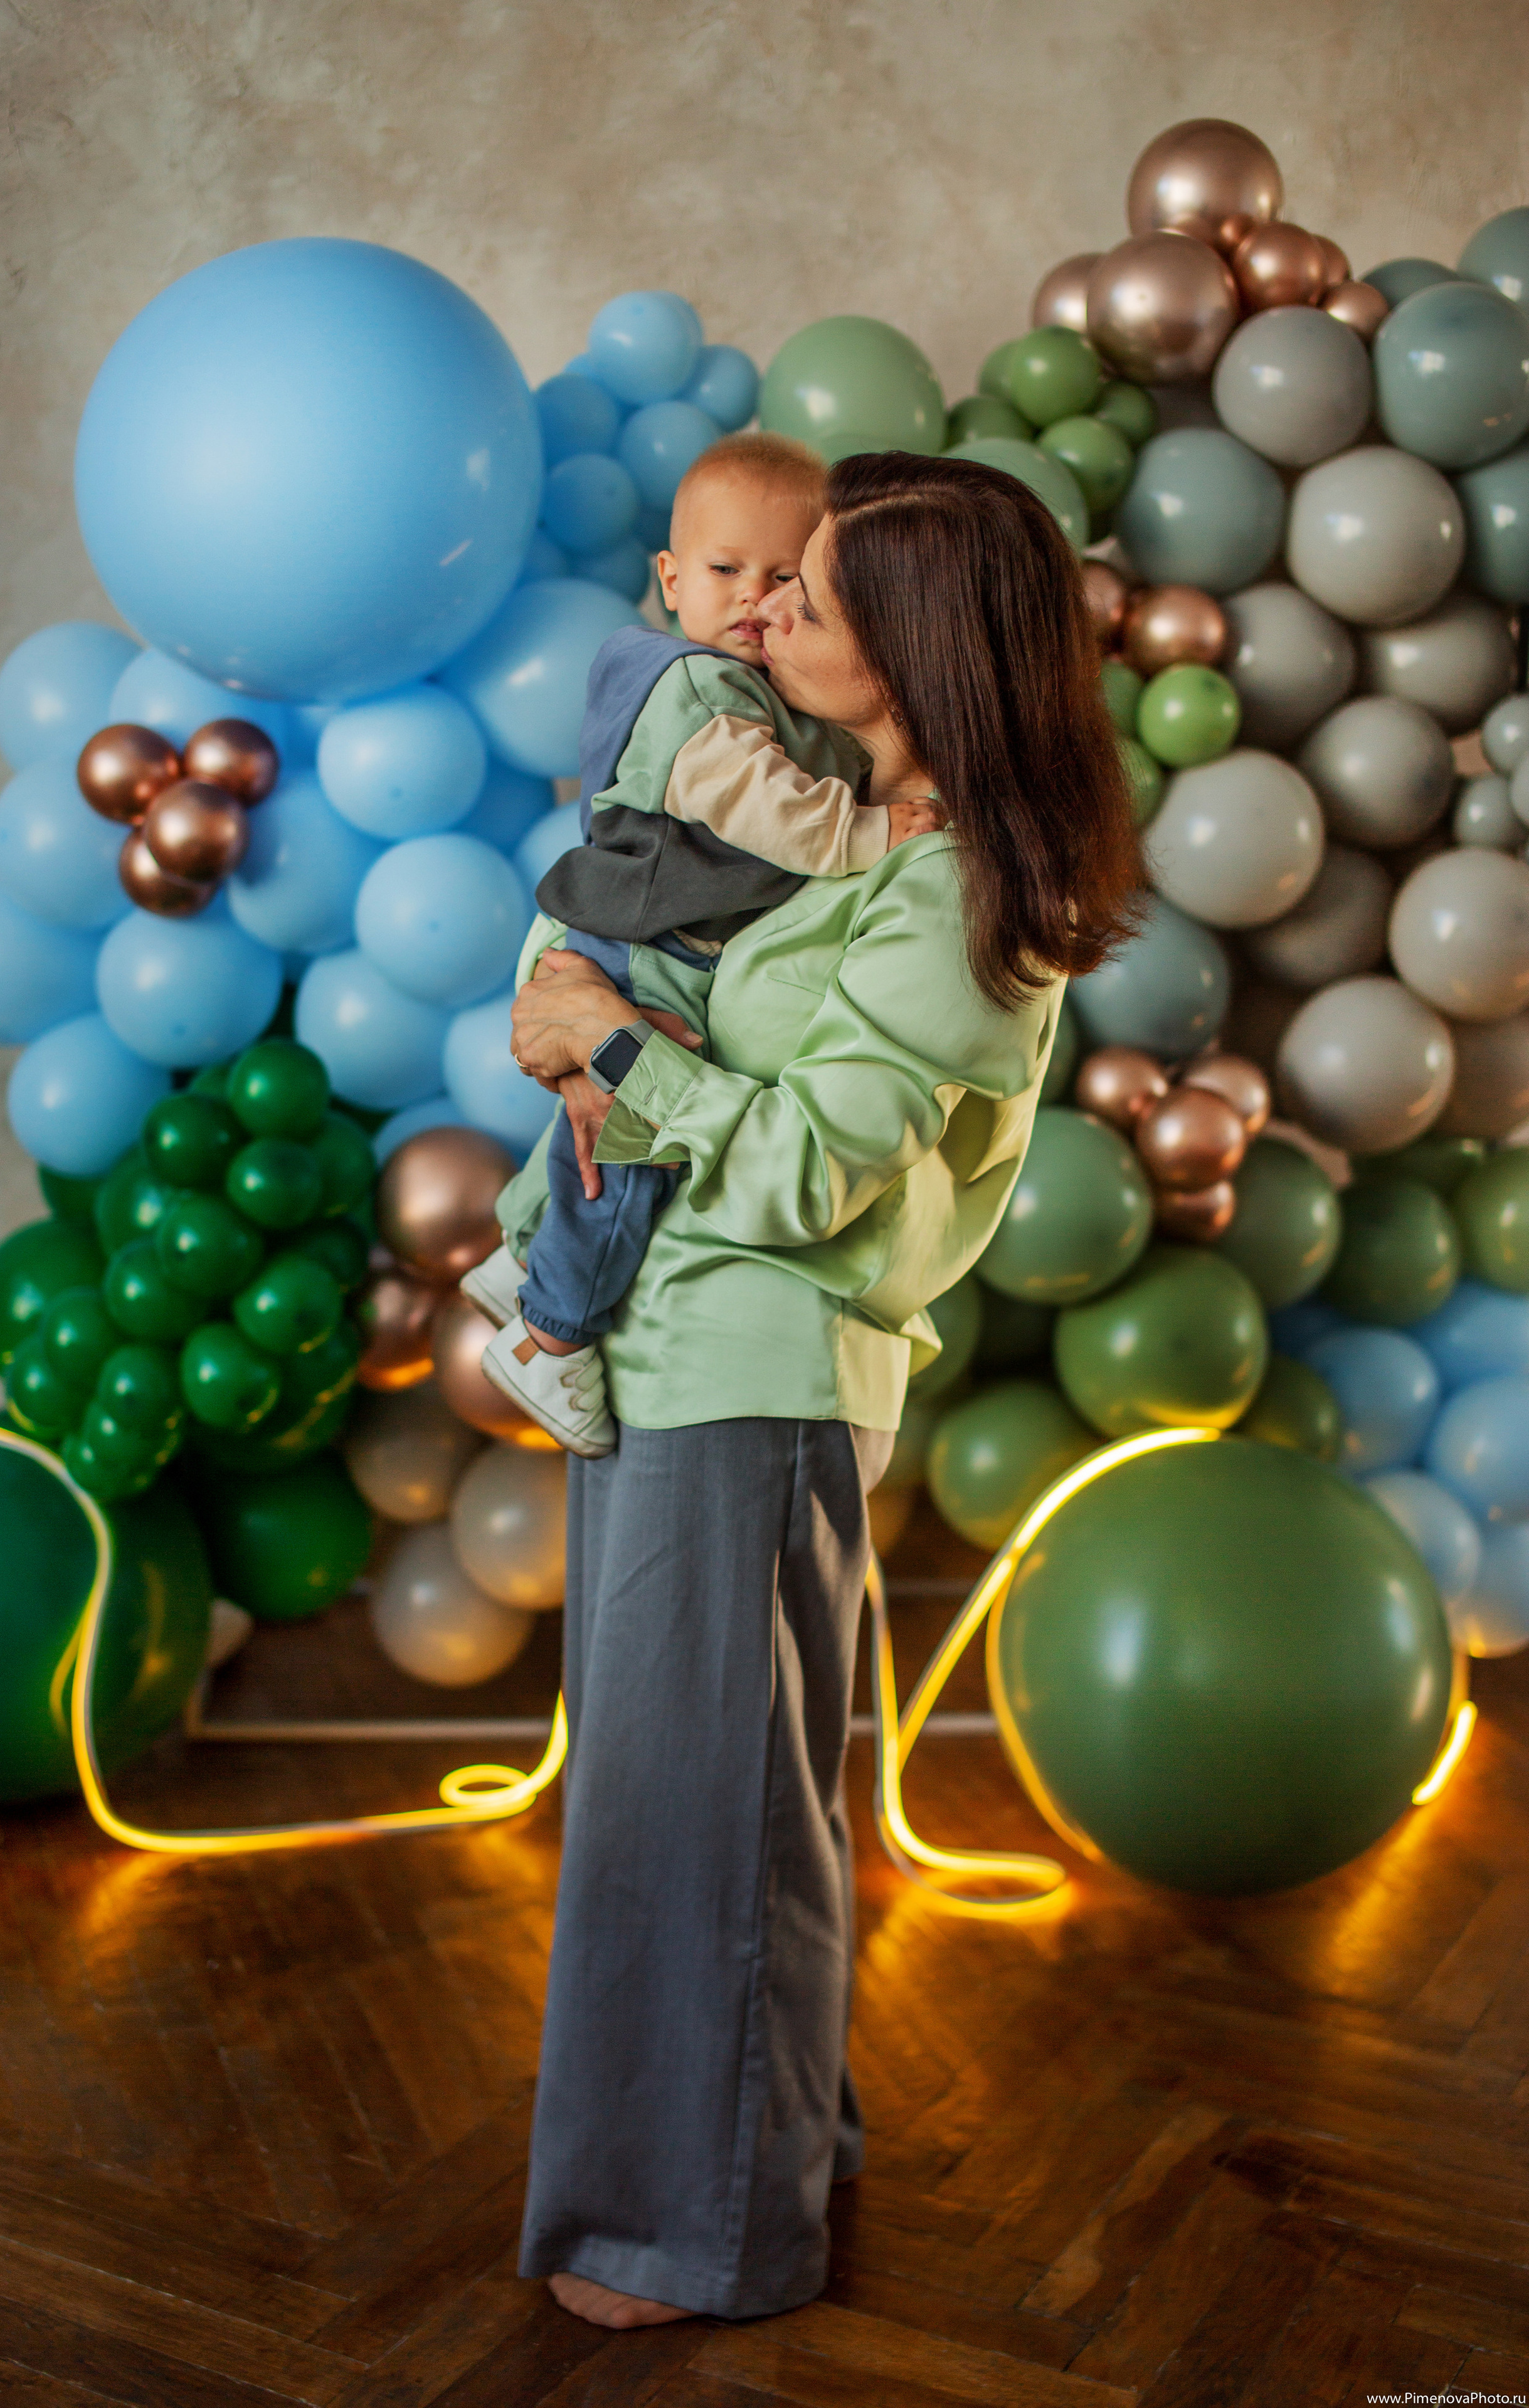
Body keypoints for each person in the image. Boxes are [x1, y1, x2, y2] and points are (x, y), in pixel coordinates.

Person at [501, 451, 1141, 2330]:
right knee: (694, 1804)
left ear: (923, 650)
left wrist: (616, 1040)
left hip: (759, 1374)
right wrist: (589, 1028)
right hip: (676, 1356)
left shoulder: (958, 895)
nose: (763, 612)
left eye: (817, 601)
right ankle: (756, 2155)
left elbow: (795, 1175)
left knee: (695, 1821)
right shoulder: (831, 827)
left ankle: (687, 2231)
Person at [460, 431, 934, 1454]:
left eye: (787, 581)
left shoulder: (751, 694)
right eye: (727, 573)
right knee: (627, 1149)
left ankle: (526, 1259)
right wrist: (867, 830)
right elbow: (760, 807)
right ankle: (553, 1335)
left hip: (646, 932)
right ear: (671, 580)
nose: (756, 602)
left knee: (615, 1120)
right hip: (647, 940)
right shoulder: (696, 691)